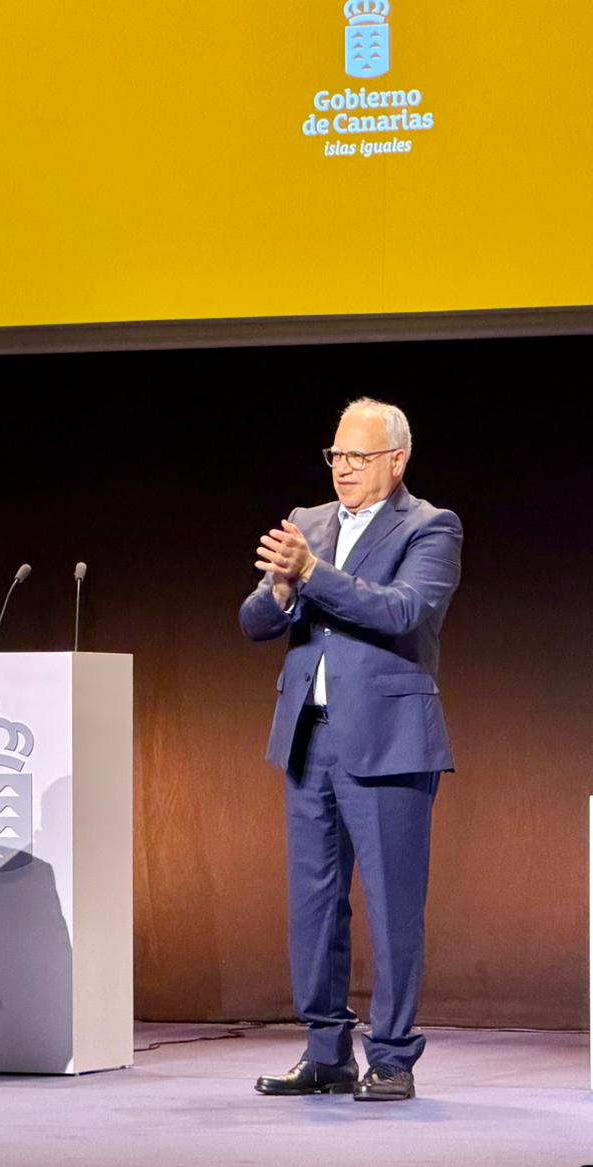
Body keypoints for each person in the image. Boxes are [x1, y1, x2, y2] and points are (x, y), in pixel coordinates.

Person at [241, 398, 462, 1102]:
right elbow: (251, 621)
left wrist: (312, 575)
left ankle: (393, 1058)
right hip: (310, 736)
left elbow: (401, 611)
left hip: (391, 741)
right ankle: (325, 1051)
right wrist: (279, 588)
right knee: (314, 901)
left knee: (393, 905)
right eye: (336, 456)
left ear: (396, 461)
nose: (343, 469)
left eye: (358, 457)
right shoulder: (308, 524)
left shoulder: (430, 527)